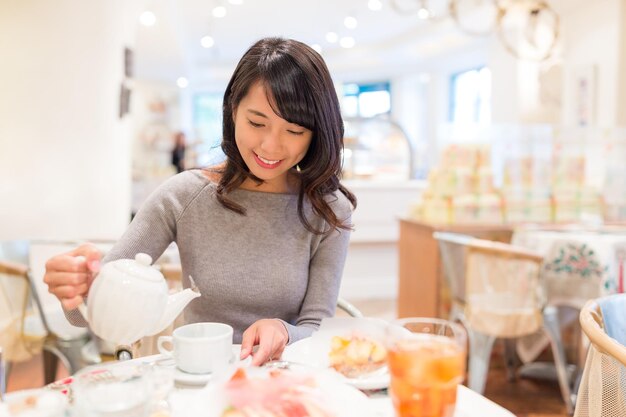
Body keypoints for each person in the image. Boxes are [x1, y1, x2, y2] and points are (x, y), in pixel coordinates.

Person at [43, 37, 356, 366]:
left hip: (286, 383)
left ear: (317, 133)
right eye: (257, 122)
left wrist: (284, 330)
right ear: (233, 111)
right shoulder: (183, 196)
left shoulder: (328, 210)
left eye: (293, 131)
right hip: (197, 379)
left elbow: (318, 328)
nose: (271, 146)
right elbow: (85, 316)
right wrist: (77, 287)